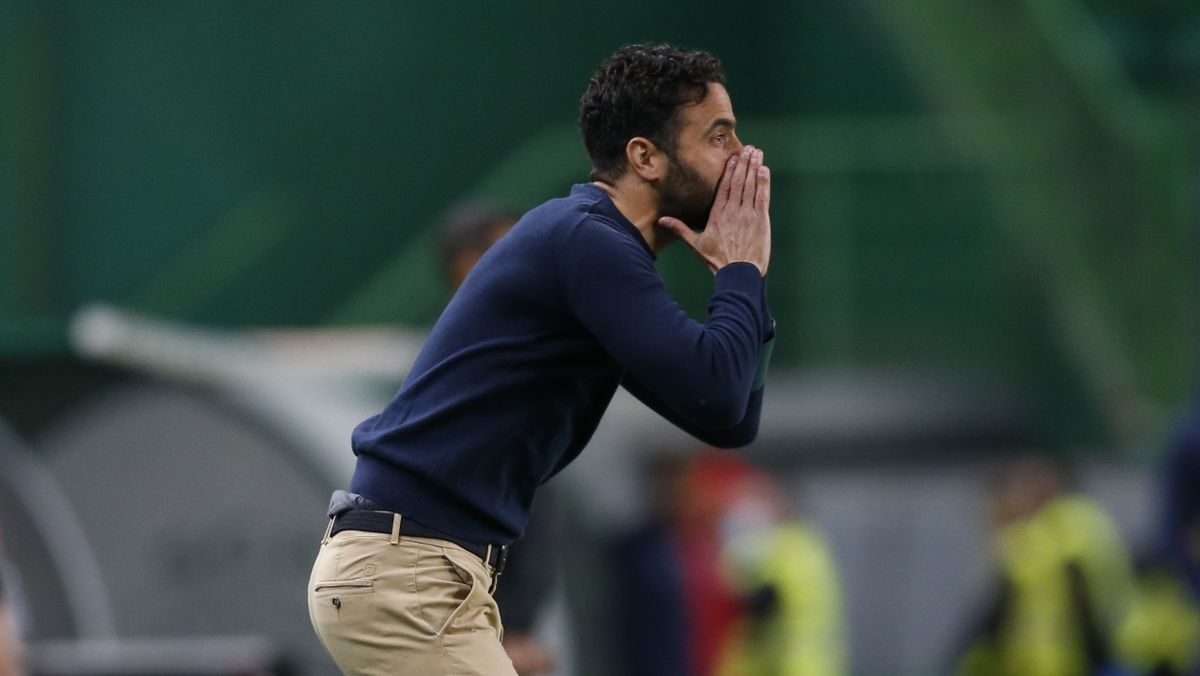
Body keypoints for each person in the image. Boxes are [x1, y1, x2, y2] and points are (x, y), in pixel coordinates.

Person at [308, 42, 775, 676]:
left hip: (415, 568)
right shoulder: (587, 240)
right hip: (408, 570)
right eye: (719, 136)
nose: (743, 155)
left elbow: (731, 419)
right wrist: (740, 270)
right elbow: (716, 392)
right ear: (645, 157)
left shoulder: (597, 249)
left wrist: (747, 281)